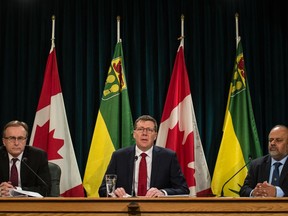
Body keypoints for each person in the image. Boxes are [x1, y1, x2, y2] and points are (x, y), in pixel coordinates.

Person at [98, 115, 189, 197]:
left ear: (155, 136)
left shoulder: (168, 157)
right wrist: (114, 192)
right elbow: (102, 189)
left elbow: (183, 189)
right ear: (134, 134)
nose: (144, 133)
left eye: (149, 130)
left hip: (157, 210)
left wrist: (163, 192)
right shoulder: (119, 156)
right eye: (140, 129)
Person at [0, 120, 51, 197]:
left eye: (20, 138)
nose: (16, 143)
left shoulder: (38, 156)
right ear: (4, 141)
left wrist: (17, 190)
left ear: (26, 140)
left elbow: (45, 189)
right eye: (12, 138)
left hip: (30, 205)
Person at [240, 125, 288, 197]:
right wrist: (254, 192)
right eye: (270, 140)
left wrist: (277, 192)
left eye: (278, 140)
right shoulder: (256, 165)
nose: (272, 143)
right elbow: (244, 190)